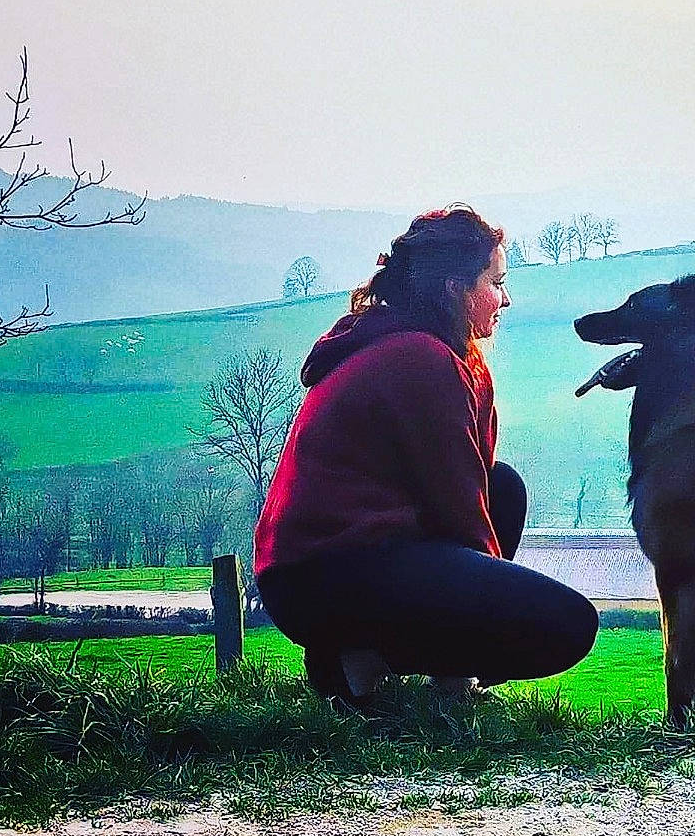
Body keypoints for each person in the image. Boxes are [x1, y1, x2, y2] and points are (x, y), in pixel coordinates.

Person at [254, 205, 599, 703]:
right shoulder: (420, 359)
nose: (505, 299)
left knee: (503, 488)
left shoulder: (429, 350)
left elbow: (474, 479)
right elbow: (457, 504)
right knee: (569, 624)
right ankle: (360, 658)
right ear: (455, 289)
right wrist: (489, 612)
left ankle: (382, 663)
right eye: (496, 283)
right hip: (325, 575)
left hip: (327, 566)